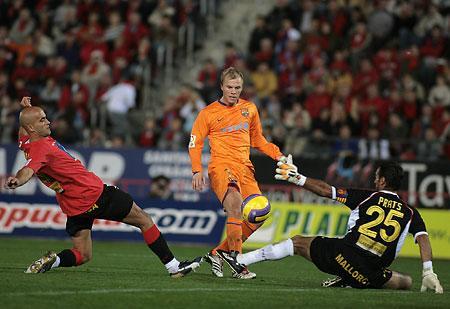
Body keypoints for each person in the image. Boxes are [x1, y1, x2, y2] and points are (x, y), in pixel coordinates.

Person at [5, 97, 201, 277]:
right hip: (94, 194)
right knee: (144, 219)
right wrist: (17, 180)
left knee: (83, 254)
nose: (47, 122)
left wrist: (27, 109)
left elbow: (24, 130)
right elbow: (27, 171)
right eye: (42, 120)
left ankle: (54, 260)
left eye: (45, 118)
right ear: (32, 128)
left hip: (73, 206)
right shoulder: (42, 149)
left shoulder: (27, 142)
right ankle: (174, 266)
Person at [237, 157, 443, 293]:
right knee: (405, 282)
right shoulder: (411, 212)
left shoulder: (366, 196)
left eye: (376, 177)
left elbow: (327, 191)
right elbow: (423, 239)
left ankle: (241, 259)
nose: (374, 180)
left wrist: (298, 178)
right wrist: (428, 271)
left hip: (343, 258)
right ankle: (349, 279)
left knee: (298, 243)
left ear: (381, 181)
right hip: (371, 275)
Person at [189, 67, 285, 279]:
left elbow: (258, 140)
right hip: (222, 167)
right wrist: (197, 170)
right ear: (222, 87)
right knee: (234, 204)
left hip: (245, 168)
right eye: (230, 87)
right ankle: (236, 261)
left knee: (261, 213)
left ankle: (218, 253)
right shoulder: (207, 113)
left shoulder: (249, 109)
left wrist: (279, 156)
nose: (233, 91)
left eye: (238, 88)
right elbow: (195, 144)